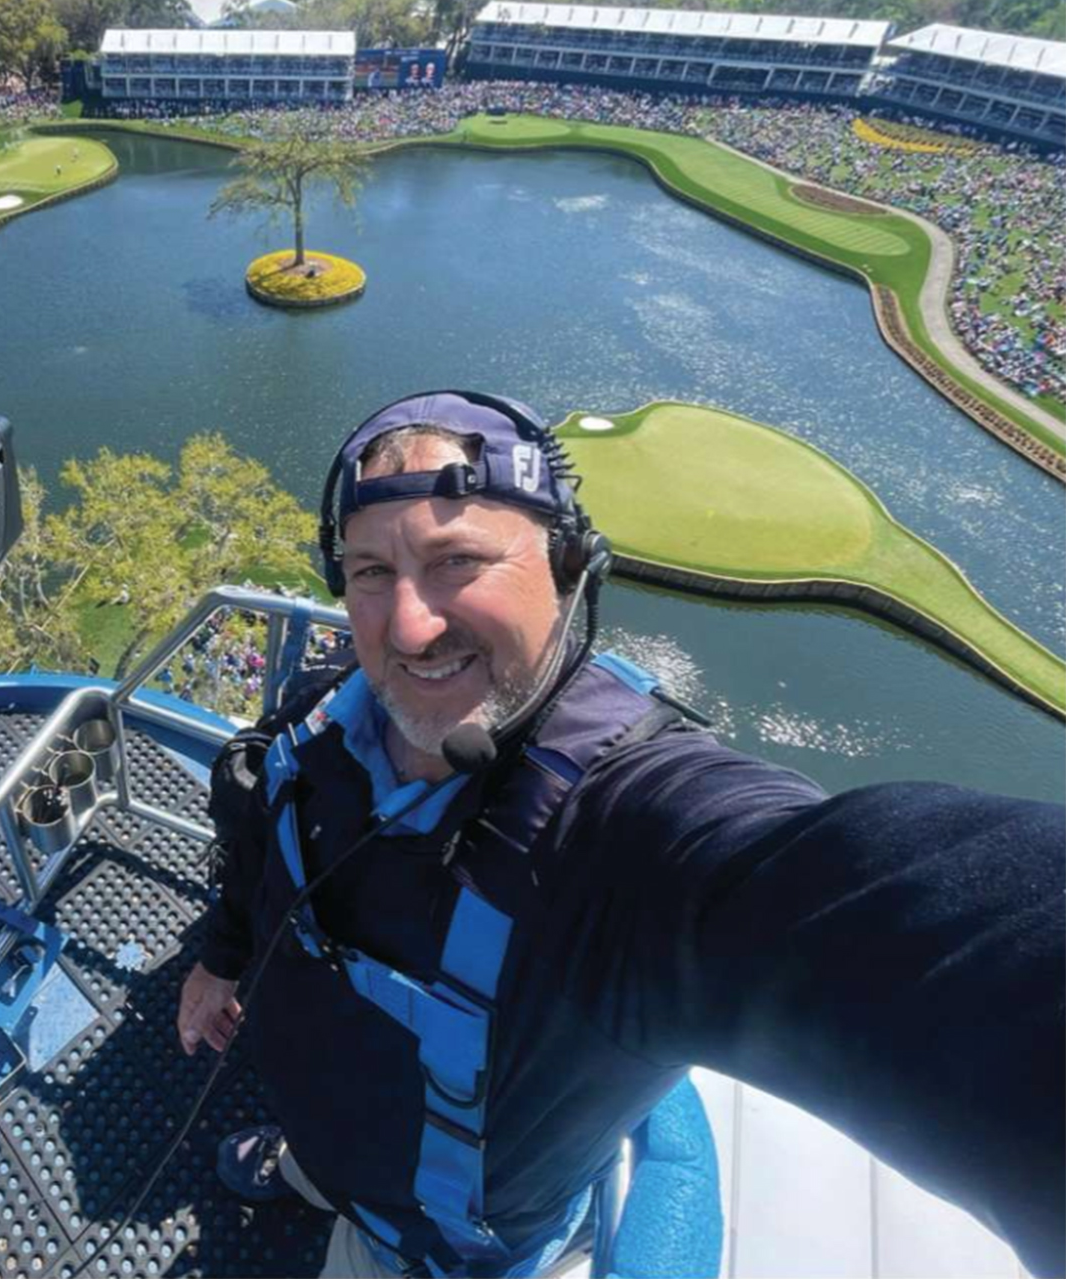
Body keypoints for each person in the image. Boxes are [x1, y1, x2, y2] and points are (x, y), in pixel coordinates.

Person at [177, 390, 1064, 1279]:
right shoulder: (326, 717)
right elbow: (260, 840)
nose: (408, 625)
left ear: (569, 571)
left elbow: (906, 923)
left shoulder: (627, 834)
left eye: (457, 561)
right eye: (372, 573)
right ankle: (312, 1171)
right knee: (326, 1160)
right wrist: (221, 959)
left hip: (435, 1250)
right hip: (329, 1124)